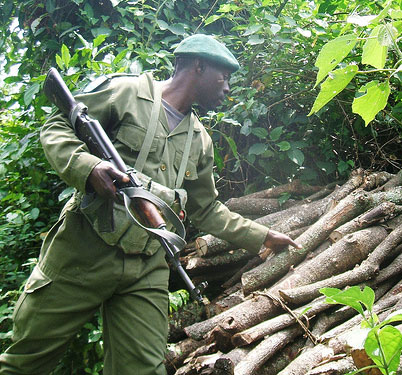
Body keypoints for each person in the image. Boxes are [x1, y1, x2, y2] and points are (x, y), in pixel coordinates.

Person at [0, 34, 300, 374]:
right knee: (27, 362)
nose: (228, 87)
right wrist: (89, 167)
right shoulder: (126, 93)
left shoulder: (200, 140)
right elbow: (57, 125)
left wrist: (263, 237)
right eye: (224, 76)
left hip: (147, 266)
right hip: (82, 252)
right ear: (198, 66)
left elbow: (206, 209)